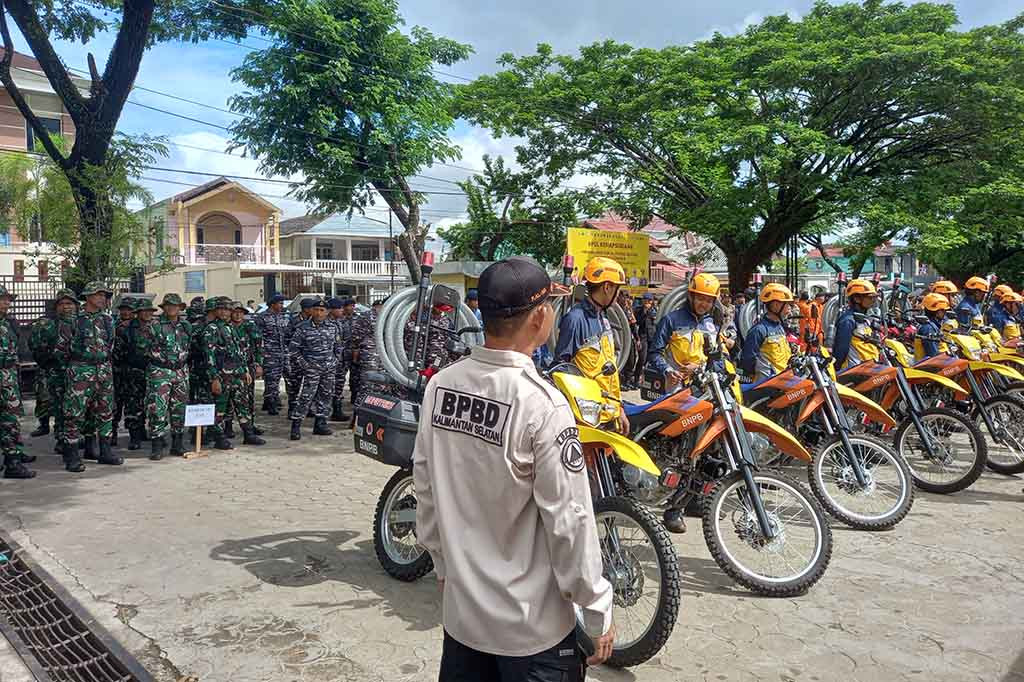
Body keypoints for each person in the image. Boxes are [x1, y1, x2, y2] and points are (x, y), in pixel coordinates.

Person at [413, 256, 614, 681]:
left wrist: (444, 568)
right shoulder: (542, 405)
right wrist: (597, 612)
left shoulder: (441, 385)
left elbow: (425, 490)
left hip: (464, 621)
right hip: (532, 633)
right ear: (540, 317)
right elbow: (570, 521)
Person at [646, 272, 722, 533]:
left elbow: (716, 357)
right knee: (684, 453)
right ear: (691, 296)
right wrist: (668, 369)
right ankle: (673, 508)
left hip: (705, 392)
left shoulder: (712, 325)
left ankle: (694, 500)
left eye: (708, 300)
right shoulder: (671, 320)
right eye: (699, 298)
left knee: (706, 448)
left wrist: (719, 371)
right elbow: (654, 353)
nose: (703, 304)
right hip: (678, 394)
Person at [554, 256, 629, 434]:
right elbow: (560, 369)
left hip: (609, 415)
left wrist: (620, 409)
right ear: (607, 287)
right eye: (617, 289)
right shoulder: (575, 320)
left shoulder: (603, 318)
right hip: (587, 418)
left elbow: (609, 373)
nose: (618, 295)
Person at [59, 281, 122, 471]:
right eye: (98, 294)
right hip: (80, 370)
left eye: (104, 295)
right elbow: (61, 349)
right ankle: (71, 455)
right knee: (74, 414)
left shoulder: (108, 319)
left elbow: (110, 345)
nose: (102, 298)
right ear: (88, 297)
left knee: (105, 412)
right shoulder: (73, 319)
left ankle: (105, 451)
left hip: (103, 370)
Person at [201, 297, 262, 448]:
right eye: (221, 309)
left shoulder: (230, 328)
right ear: (215, 311)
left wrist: (244, 370)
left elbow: (238, 352)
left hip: (237, 375)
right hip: (222, 376)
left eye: (227, 309)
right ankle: (219, 438)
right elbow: (209, 356)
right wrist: (214, 378)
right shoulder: (211, 329)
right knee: (220, 408)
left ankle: (248, 434)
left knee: (242, 405)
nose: (224, 312)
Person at [140, 294, 192, 459]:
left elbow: (187, 345)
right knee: (157, 409)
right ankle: (157, 445)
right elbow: (143, 347)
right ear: (164, 308)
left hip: (181, 371)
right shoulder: (154, 325)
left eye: (175, 306)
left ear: (180, 308)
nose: (172, 308)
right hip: (160, 371)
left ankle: (177, 444)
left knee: (179, 409)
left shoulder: (185, 325)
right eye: (168, 305)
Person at [288, 297, 344, 440]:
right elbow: (294, 350)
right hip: (312, 369)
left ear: (327, 312)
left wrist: (335, 361)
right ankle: (296, 426)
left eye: (322, 310)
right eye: (316, 310)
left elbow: (338, 347)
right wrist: (305, 365)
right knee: (306, 397)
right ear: (311, 311)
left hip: (329, 368)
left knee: (326, 396)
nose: (319, 313)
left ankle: (320, 424)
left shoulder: (333, 327)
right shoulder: (303, 328)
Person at [30, 289, 77, 456]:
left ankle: (75, 438)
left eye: (70, 303)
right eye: (62, 304)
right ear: (56, 307)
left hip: (79, 374)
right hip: (57, 372)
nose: (66, 307)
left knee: (77, 408)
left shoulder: (81, 322)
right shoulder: (47, 324)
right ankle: (61, 439)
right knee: (60, 407)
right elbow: (35, 346)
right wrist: (49, 363)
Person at [0, 285, 34, 480]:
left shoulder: (10, 323)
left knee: (11, 419)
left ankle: (13, 460)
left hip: (9, 375)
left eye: (8, 300)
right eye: (3, 299)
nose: (7, 303)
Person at [118, 298, 155, 451]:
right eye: (144, 311)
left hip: (152, 371)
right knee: (133, 405)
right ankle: (134, 437)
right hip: (132, 372)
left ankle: (146, 432)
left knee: (152, 404)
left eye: (149, 311)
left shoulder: (156, 327)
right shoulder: (126, 329)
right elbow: (118, 351)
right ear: (137, 313)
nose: (147, 314)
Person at [740, 284, 796, 382]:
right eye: (787, 304)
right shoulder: (758, 330)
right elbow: (748, 361)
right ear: (776, 305)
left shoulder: (779, 327)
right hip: (769, 387)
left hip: (785, 381)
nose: (790, 308)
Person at [227, 301, 265, 441]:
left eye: (240, 312)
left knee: (248, 398)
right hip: (230, 368)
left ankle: (250, 425)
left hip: (247, 367)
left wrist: (259, 364)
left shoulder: (250, 326)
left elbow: (258, 347)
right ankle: (228, 426)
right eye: (235, 312)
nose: (237, 315)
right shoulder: (226, 327)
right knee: (229, 399)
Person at [351, 298, 392, 416]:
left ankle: (377, 414)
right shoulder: (367, 315)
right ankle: (358, 416)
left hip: (387, 356)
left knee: (384, 386)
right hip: (370, 355)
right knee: (367, 385)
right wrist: (358, 350)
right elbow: (356, 336)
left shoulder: (392, 315)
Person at [832, 279, 880, 369]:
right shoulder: (848, 321)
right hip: (855, 371)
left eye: (874, 297)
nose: (873, 300)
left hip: (869, 367)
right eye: (870, 297)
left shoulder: (863, 319)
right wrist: (836, 368)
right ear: (857, 299)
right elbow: (841, 349)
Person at [256, 293, 290, 415]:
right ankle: (271, 403)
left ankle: (272, 400)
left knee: (285, 377)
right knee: (271, 379)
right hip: (270, 353)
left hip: (283, 352)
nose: (282, 306)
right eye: (280, 303)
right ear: (272, 304)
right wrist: (261, 355)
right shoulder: (262, 317)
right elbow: (258, 338)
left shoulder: (283, 317)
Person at [110, 295, 136, 446]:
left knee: (134, 404)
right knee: (115, 404)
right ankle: (112, 434)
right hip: (116, 371)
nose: (126, 312)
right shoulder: (112, 325)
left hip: (133, 372)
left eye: (129, 310)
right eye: (123, 310)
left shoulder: (139, 327)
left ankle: (135, 435)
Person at [286, 298, 315, 413]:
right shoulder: (294, 321)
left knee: (310, 385)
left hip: (310, 358)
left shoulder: (314, 321)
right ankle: (292, 409)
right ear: (306, 309)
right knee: (294, 384)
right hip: (297, 358)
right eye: (312, 308)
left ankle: (308, 408)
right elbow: (288, 338)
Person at [326, 297, 351, 422]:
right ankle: (322, 413)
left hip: (341, 361)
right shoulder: (325, 323)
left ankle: (337, 410)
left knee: (339, 386)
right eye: (339, 308)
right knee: (327, 388)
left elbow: (346, 340)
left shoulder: (342, 322)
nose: (342, 310)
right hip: (329, 362)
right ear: (331, 310)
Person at [914, 293, 952, 360]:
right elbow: (933, 354)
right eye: (942, 310)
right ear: (935, 312)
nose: (944, 312)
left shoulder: (933, 325)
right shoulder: (928, 328)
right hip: (928, 367)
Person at [632, 293, 656, 387]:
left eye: (649, 301)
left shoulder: (655, 310)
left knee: (648, 359)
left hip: (652, 337)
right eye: (646, 300)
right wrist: (645, 312)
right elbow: (637, 322)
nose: (648, 302)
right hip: (642, 336)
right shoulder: (638, 310)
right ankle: (636, 379)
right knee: (642, 358)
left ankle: (644, 379)